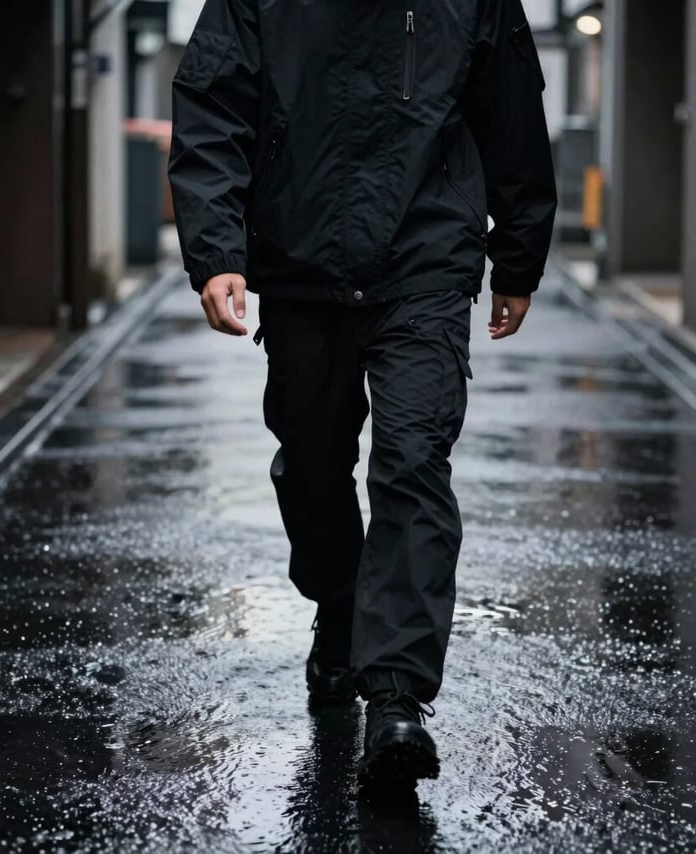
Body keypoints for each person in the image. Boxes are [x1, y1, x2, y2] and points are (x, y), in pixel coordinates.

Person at [169, 0, 556, 791]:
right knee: (313, 465)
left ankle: (396, 697)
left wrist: (518, 258)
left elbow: (513, 112)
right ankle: (341, 606)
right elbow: (214, 105)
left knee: (414, 464)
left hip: (425, 262)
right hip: (300, 259)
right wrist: (216, 252)